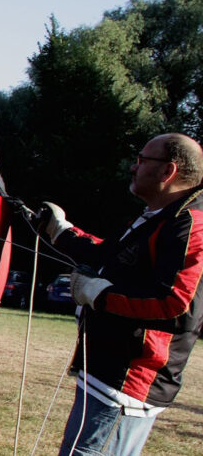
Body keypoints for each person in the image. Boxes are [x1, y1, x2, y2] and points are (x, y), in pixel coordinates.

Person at [39, 133, 203, 456]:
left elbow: (176, 305)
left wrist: (100, 295)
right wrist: (61, 231)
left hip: (127, 382)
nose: (133, 166)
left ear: (167, 171)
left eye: (142, 160)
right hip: (105, 370)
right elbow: (110, 256)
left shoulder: (189, 224)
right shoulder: (159, 217)